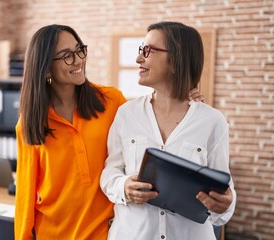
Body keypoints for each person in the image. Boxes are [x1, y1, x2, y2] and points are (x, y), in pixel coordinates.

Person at [15, 24, 204, 240]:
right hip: (51, 233)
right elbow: (25, 193)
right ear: (46, 68)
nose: (78, 60)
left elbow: (149, 126)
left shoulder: (111, 101)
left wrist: (182, 99)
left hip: (106, 233)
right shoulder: (29, 122)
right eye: (67, 56)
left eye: (79, 50)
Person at [100, 21, 236, 240]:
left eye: (148, 51)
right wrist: (124, 186)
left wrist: (225, 204)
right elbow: (109, 173)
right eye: (140, 50)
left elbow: (224, 188)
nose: (138, 58)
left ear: (176, 61)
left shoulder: (213, 121)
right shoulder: (126, 114)